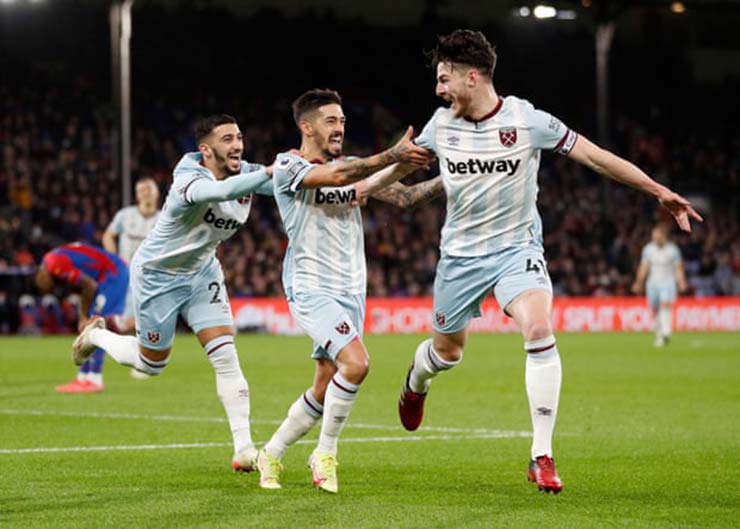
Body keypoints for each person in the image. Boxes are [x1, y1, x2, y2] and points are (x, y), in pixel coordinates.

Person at [396, 30, 703, 494]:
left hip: (516, 249)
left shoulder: (527, 120)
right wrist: (350, 183)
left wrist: (658, 191)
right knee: (446, 354)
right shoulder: (440, 126)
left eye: (444, 79)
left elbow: (596, 158)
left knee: (539, 328)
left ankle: (541, 455)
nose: (438, 89)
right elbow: (397, 172)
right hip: (460, 257)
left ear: (472, 77)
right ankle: (417, 381)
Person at [257, 88, 439, 493]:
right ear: (307, 127)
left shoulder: (350, 167)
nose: (339, 127)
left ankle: (270, 452)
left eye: (342, 120)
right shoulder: (288, 165)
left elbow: (401, 194)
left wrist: (456, 177)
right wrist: (392, 156)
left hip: (352, 289)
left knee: (325, 384)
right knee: (356, 364)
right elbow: (340, 178)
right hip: (311, 286)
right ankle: (325, 453)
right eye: (330, 121)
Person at [71, 114, 274, 472]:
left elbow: (295, 181)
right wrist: (272, 173)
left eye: (239, 137)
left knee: (226, 356)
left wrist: (356, 177)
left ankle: (244, 448)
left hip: (202, 271)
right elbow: (221, 192)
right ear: (206, 150)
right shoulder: (188, 178)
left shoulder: (246, 171)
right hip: (157, 277)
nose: (238, 145)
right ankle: (96, 335)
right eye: (227, 139)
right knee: (150, 364)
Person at [35, 243, 129, 393]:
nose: (50, 287)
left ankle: (94, 379)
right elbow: (83, 287)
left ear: (42, 274)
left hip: (113, 273)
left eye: (48, 286)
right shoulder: (52, 259)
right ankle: (83, 378)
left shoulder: (54, 265)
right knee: (90, 325)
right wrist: (83, 316)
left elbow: (89, 286)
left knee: (97, 324)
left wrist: (83, 316)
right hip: (106, 275)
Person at [102, 177, 161, 379]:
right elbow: (108, 235)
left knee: (141, 321)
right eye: (141, 189)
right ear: (137, 195)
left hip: (153, 276)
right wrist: (114, 260)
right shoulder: (125, 215)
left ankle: (143, 360)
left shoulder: (164, 218)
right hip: (126, 275)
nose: (146, 193)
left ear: (157, 193)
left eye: (149, 189)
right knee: (127, 323)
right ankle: (142, 358)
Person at [632, 225, 686, 346]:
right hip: (652, 283)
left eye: (657, 236)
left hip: (668, 282)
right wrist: (639, 282)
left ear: (664, 236)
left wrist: (681, 281)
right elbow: (643, 267)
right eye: (654, 236)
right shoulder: (648, 249)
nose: (655, 238)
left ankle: (666, 331)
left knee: (665, 304)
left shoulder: (673, 250)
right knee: (655, 309)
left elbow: (678, 267)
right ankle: (659, 333)